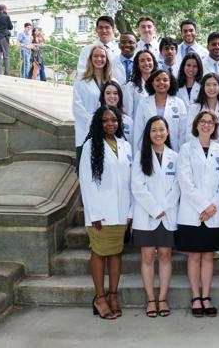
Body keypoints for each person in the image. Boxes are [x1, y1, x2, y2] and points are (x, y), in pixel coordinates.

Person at [79, 105, 132, 320]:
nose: (110, 124)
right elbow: (86, 182)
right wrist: (94, 214)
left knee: (116, 253)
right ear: (98, 124)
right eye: (105, 120)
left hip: (120, 210)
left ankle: (113, 295)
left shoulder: (126, 145)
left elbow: (130, 181)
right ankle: (99, 297)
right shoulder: (91, 145)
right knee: (99, 254)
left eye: (114, 120)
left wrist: (130, 212)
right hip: (100, 212)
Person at [176, 110, 219, 317]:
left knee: (208, 256)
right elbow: (185, 183)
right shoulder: (186, 149)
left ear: (215, 127)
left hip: (213, 213)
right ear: (196, 125)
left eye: (210, 122)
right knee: (194, 256)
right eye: (203, 122)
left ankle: (206, 296)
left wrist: (213, 206)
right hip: (192, 212)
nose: (206, 125)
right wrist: (204, 207)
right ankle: (195, 297)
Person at [130, 116, 180, 318]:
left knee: (166, 256)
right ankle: (151, 299)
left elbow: (178, 185)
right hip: (146, 215)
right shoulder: (141, 156)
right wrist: (154, 208)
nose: (158, 134)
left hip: (167, 215)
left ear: (167, 132)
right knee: (148, 256)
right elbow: (137, 186)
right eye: (154, 130)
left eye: (161, 129)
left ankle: (163, 298)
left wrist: (164, 207)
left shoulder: (175, 156)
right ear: (148, 134)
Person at [72, 45, 113, 172]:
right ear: (90, 59)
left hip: (107, 131)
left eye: (102, 56)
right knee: (85, 170)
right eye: (95, 56)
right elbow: (77, 106)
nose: (99, 59)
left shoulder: (112, 80)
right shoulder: (80, 79)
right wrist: (93, 122)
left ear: (107, 59)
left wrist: (105, 124)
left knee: (105, 170)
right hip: (85, 129)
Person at [132, 70, 187, 154]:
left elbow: (183, 132)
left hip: (173, 151)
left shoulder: (179, 103)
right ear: (152, 82)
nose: (161, 82)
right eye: (157, 80)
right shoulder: (144, 102)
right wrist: (138, 153)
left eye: (165, 80)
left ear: (170, 83)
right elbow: (138, 131)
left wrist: (181, 154)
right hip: (149, 151)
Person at [186, 73, 219, 147]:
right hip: (197, 151)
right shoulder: (193, 108)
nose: (211, 88)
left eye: (214, 84)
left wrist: (214, 151)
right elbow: (189, 134)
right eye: (208, 85)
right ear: (203, 87)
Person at [123, 49, 157, 120]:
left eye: (149, 60)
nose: (146, 63)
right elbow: (128, 113)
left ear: (153, 62)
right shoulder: (130, 86)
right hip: (138, 127)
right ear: (137, 65)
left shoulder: (159, 84)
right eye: (142, 61)